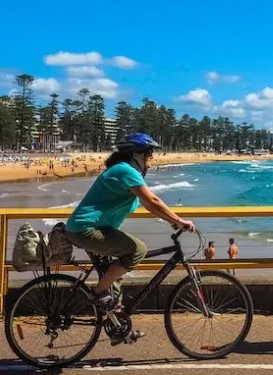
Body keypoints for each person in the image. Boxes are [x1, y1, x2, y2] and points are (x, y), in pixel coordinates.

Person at [65, 133, 195, 318]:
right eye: (149, 153)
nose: (152, 158)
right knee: (138, 250)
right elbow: (152, 201)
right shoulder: (125, 171)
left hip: (87, 228)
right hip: (86, 229)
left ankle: (119, 326)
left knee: (113, 276)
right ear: (136, 154)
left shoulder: (123, 170)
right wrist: (178, 221)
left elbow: (150, 204)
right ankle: (97, 293)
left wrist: (170, 219)